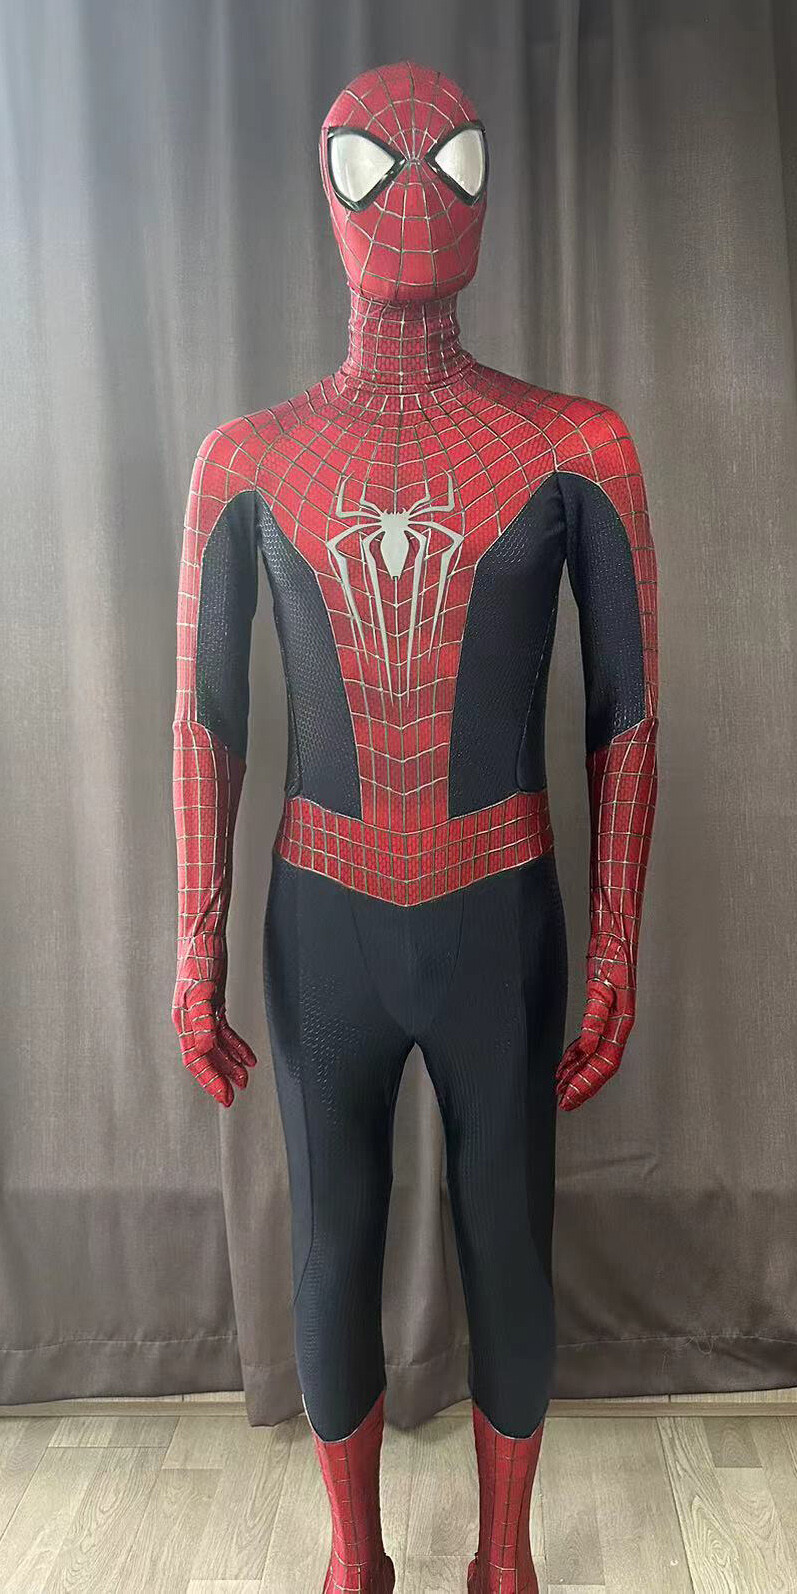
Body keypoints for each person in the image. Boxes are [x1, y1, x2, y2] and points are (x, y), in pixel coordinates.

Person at [171, 60, 658, 1594]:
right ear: (325, 195)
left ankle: (502, 1559)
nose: (415, 198)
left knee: (507, 1238)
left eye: (449, 160)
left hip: (496, 911)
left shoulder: (577, 446)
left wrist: (616, 942)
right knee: (330, 1240)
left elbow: (627, 712)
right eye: (373, 168)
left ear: (489, 191)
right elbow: (205, 715)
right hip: (322, 921)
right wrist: (192, 941)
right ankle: (353, 1558)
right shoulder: (245, 460)